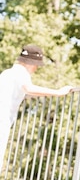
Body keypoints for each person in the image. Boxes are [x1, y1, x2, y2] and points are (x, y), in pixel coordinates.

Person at [0, 44, 73, 172]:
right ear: (31, 63)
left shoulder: (7, 73)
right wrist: (57, 92)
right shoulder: (21, 73)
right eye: (36, 65)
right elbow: (29, 88)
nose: (36, 69)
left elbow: (22, 92)